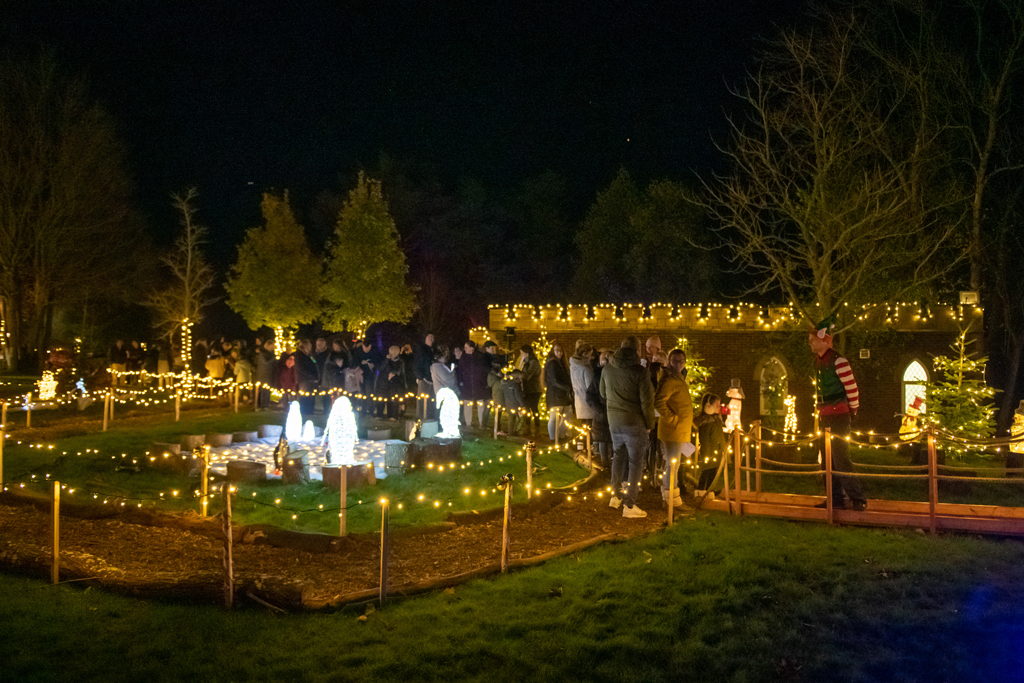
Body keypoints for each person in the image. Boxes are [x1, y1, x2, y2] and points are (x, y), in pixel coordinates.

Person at [810, 315, 867, 511]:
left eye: (812, 339)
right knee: (827, 459)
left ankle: (857, 498)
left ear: (823, 340)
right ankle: (834, 498)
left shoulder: (839, 361)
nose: (809, 343)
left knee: (841, 457)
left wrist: (852, 411)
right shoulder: (818, 362)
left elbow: (852, 388)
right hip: (824, 415)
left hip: (838, 415)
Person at [600, 336, 655, 518]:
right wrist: (649, 424)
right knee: (635, 464)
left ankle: (615, 497)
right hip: (634, 423)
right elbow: (647, 402)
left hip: (613, 421)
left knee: (618, 458)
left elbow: (602, 392)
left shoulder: (607, 369)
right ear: (637, 350)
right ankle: (630, 505)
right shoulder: (640, 372)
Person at [654, 348, 693, 507]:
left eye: (681, 361)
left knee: (674, 463)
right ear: (669, 361)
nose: (678, 364)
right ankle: (672, 501)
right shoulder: (668, 380)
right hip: (672, 430)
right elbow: (658, 402)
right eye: (675, 361)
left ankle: (670, 498)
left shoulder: (679, 378)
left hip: (679, 429)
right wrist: (673, 419)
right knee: (672, 463)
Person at [586, 348, 613, 471]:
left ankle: (610, 462)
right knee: (603, 439)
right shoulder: (598, 377)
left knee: (610, 438)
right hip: (603, 413)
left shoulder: (614, 376)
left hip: (611, 411)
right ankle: (605, 463)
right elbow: (590, 395)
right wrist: (599, 409)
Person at [694, 393, 726, 492]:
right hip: (710, 454)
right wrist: (708, 455)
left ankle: (708, 490)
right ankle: (701, 490)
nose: (719, 407)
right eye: (717, 405)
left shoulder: (716, 420)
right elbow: (704, 441)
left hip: (716, 451)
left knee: (712, 473)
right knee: (707, 472)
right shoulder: (706, 423)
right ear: (708, 406)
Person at [544, 342, 573, 441]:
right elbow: (554, 380)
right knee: (554, 418)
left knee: (567, 417)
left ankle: (560, 436)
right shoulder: (552, 363)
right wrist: (567, 388)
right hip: (555, 395)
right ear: (553, 351)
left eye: (560, 351)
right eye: (556, 350)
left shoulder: (562, 364)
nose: (559, 353)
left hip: (564, 395)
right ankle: (553, 438)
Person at [569, 342, 596, 443]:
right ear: (585, 354)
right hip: (587, 401)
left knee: (582, 426)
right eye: (589, 354)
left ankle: (581, 446)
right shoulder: (585, 368)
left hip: (578, 399)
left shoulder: (573, 367)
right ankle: (590, 447)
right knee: (589, 426)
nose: (591, 356)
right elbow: (590, 386)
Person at [458, 341, 489, 428]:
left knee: (480, 404)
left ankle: (481, 423)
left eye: (466, 347)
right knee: (467, 403)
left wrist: (483, 382)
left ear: (472, 348)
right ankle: (468, 423)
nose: (465, 349)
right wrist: (461, 381)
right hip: (467, 385)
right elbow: (460, 370)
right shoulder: (463, 358)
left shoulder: (480, 357)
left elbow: (484, 370)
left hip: (479, 384)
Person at [375, 345, 406, 419]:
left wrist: (394, 373)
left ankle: (391, 415)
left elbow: (400, 371)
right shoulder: (385, 359)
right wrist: (386, 360)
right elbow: (380, 368)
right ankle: (379, 415)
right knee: (381, 399)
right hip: (383, 382)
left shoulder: (400, 361)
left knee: (391, 400)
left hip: (393, 384)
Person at [519, 344, 542, 435]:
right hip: (527, 389)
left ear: (527, 353)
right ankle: (527, 428)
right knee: (527, 410)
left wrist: (519, 375)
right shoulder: (526, 362)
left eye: (522, 353)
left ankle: (537, 430)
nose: (521, 355)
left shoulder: (534, 363)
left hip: (534, 390)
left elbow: (527, 375)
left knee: (534, 409)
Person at [293, 339, 319, 418]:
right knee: (305, 395)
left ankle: (310, 410)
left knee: (311, 395)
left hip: (311, 379)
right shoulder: (299, 355)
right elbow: (301, 368)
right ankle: (305, 411)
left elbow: (314, 363)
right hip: (305, 379)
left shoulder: (308, 355)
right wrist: (311, 376)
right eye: (310, 345)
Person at [413, 333, 435, 419]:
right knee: (422, 399)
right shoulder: (421, 349)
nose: (431, 338)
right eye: (429, 336)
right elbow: (417, 363)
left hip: (431, 378)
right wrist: (420, 377)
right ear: (425, 338)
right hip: (424, 379)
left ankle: (429, 417)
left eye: (432, 337)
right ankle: (421, 417)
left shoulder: (432, 350)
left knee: (430, 400)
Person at [255, 340, 276, 410]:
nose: (273, 348)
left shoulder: (269, 353)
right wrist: (274, 358)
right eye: (272, 347)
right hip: (263, 374)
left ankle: (265, 404)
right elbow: (266, 362)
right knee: (264, 390)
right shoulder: (262, 354)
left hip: (268, 374)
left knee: (266, 390)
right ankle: (263, 405)